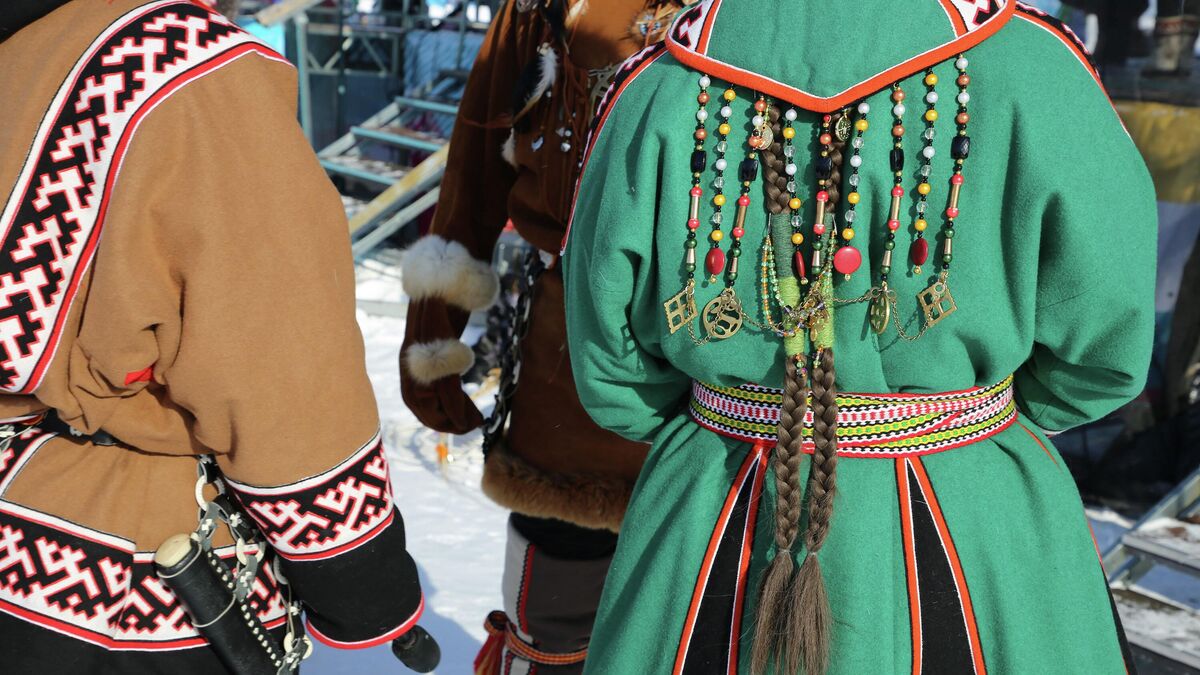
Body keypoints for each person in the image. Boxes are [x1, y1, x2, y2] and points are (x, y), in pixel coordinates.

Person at [562, 0, 1156, 673]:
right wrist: (970, 413)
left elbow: (613, 369)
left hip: (714, 508)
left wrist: (734, 410)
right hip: (982, 518)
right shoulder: (1037, 67)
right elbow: (1105, 349)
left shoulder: (658, 82)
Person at [0, 1, 424, 671]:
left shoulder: (28, 46)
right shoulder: (180, 67)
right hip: (123, 581)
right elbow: (276, 370)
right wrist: (362, 581)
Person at [398, 0, 693, 671]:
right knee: (553, 639)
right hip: (567, 398)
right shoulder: (541, 8)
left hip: (736, 410)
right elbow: (475, 167)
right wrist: (432, 340)